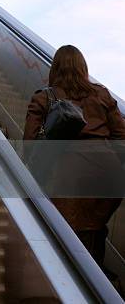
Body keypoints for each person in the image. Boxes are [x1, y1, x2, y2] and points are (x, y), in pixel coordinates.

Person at [23, 44, 125, 269]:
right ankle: (97, 281)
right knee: (93, 229)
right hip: (108, 176)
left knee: (67, 236)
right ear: (83, 68)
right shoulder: (101, 94)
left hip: (66, 175)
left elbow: (30, 144)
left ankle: (73, 283)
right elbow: (122, 136)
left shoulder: (44, 98)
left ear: (55, 69)